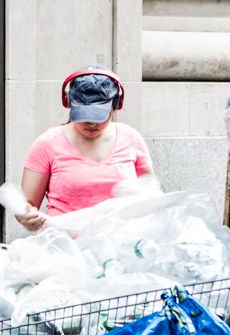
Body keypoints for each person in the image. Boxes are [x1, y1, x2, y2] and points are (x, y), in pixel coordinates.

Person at [15, 66, 154, 230]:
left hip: (118, 246)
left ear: (115, 105)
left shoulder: (131, 138)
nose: (92, 123)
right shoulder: (47, 143)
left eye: (98, 115)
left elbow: (150, 194)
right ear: (69, 104)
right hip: (66, 247)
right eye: (84, 115)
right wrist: (27, 216)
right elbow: (27, 204)